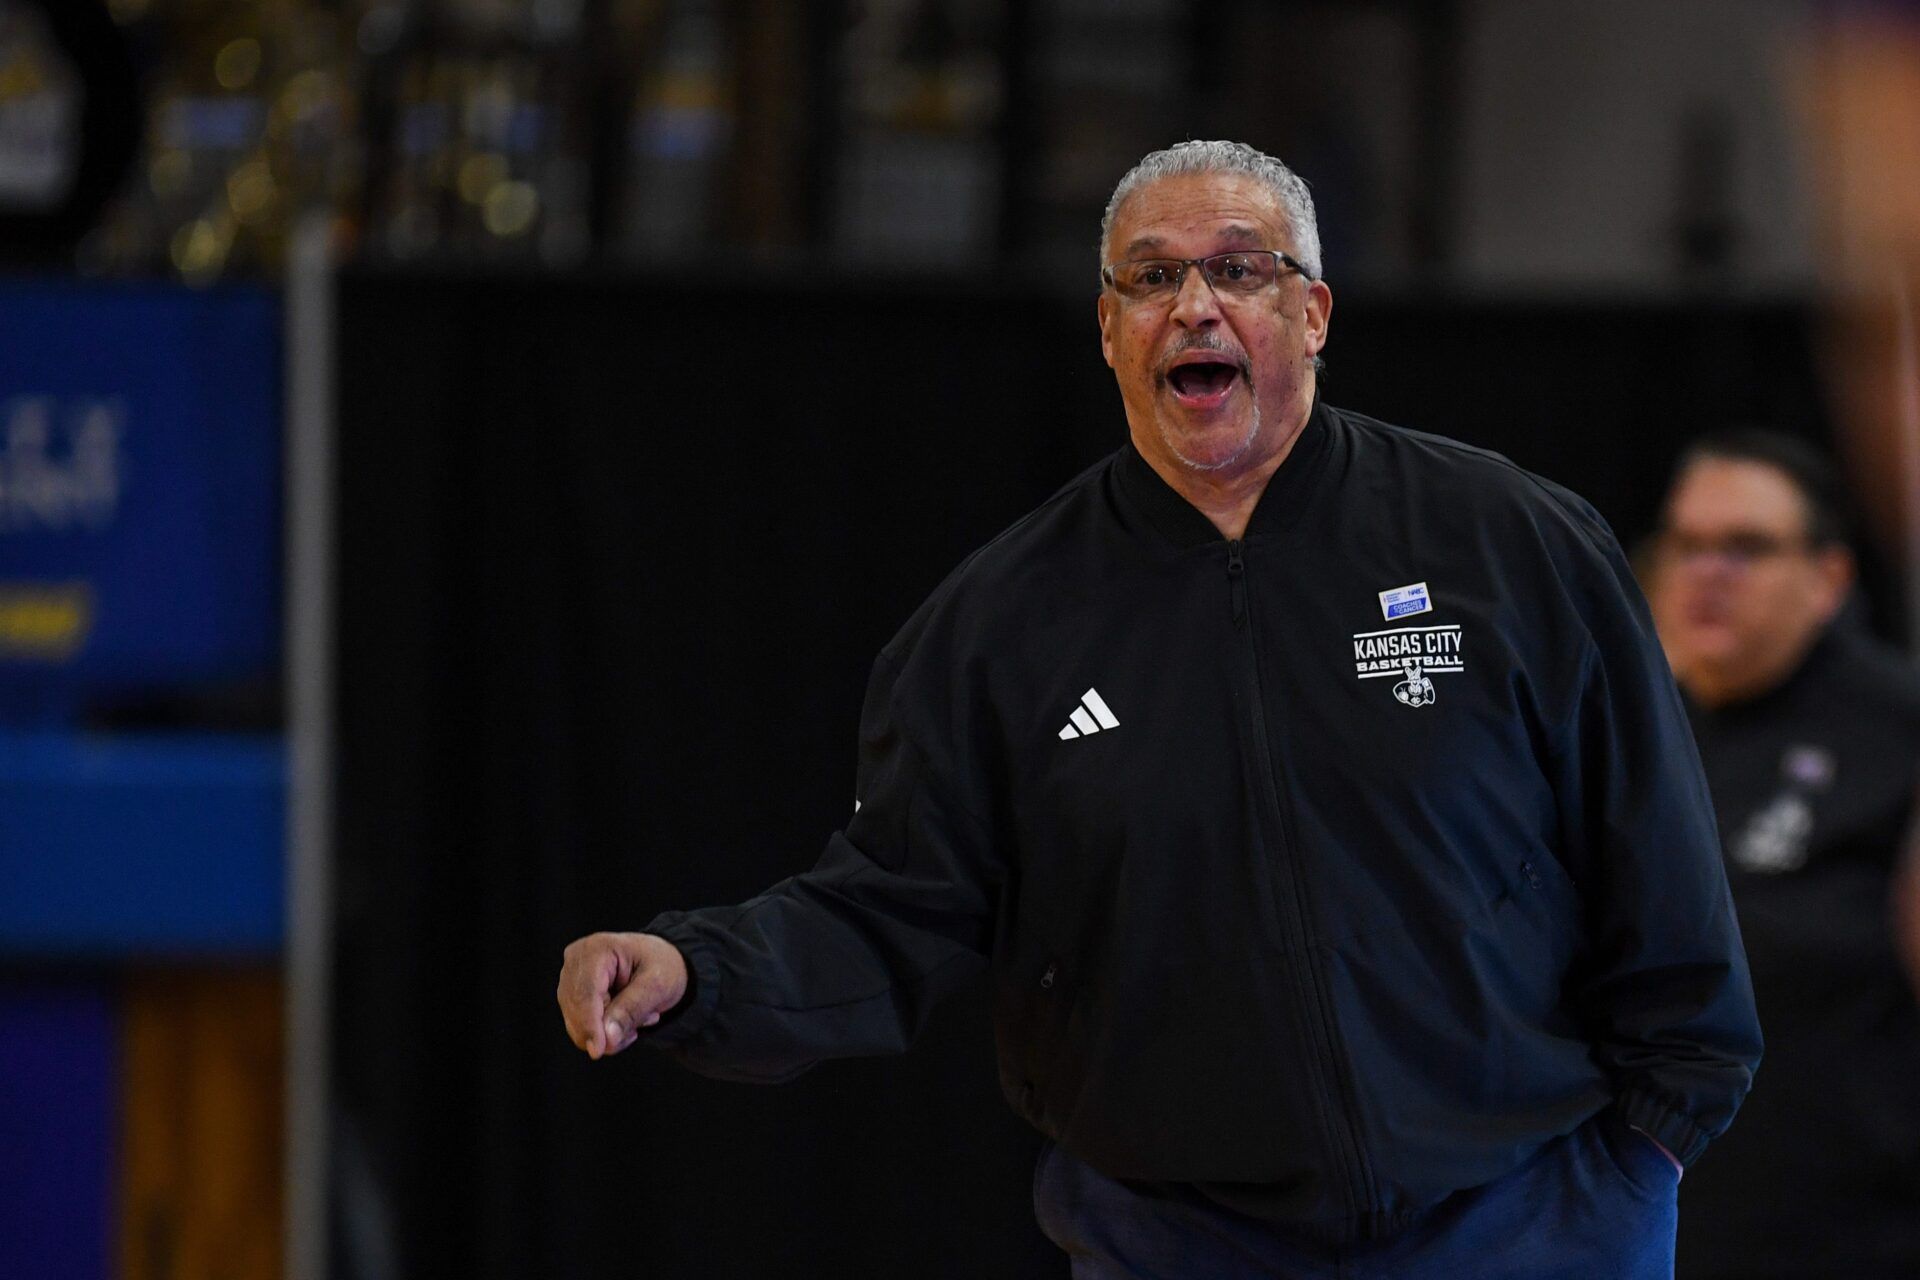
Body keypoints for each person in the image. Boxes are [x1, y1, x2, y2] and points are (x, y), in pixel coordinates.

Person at [557, 140, 1762, 1278]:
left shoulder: (1511, 541)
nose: (1194, 306)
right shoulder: (1002, 623)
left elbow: (1656, 846)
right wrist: (698, 970)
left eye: (1238, 269)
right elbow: (885, 906)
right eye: (1151, 277)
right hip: (1184, 1243)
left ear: (1312, 313)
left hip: (1529, 1219)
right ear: (1108, 329)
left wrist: (1648, 1144)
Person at [1649, 431, 1920, 1280]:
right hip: (1665, 1233)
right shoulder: (1632, 731)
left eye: (1747, 547)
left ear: (1828, 578)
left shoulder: (1898, 734)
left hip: (1858, 1236)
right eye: (1688, 545)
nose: (1709, 573)